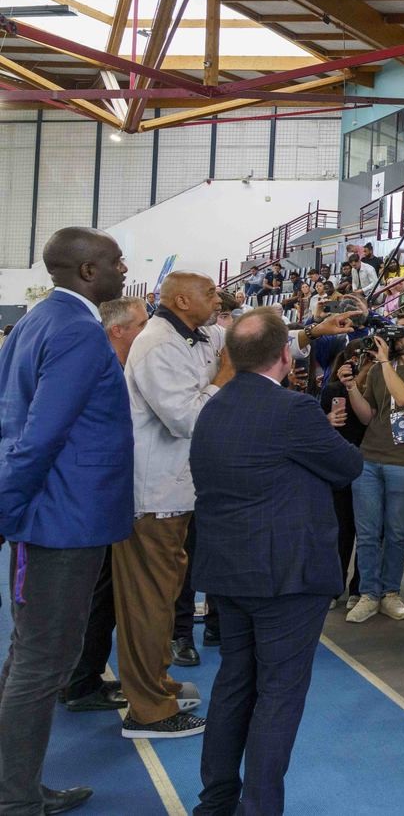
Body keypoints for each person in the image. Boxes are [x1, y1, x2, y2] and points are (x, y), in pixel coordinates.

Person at [189, 310, 363, 816]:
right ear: (286, 356)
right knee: (279, 696)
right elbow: (347, 465)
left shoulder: (212, 407)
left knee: (233, 685)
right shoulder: (293, 410)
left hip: (228, 571)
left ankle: (216, 801)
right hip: (286, 576)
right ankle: (259, 807)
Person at [0, 227, 131, 815]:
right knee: (42, 663)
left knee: (34, 657)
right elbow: (40, 435)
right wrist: (7, 510)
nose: (124, 269)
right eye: (114, 261)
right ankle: (16, 798)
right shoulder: (77, 330)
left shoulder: (33, 322)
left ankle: (17, 786)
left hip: (52, 515)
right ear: (85, 272)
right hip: (61, 521)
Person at [115, 271, 228, 740]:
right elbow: (187, 418)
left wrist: (315, 331)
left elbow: (235, 334)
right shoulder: (159, 344)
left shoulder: (194, 333)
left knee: (162, 600)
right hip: (152, 499)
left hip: (175, 495)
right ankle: (149, 711)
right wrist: (225, 376)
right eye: (210, 293)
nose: (218, 298)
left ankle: (156, 684)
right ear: (183, 300)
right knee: (147, 605)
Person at [57, 297, 146, 719]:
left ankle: (79, 676)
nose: (149, 332)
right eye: (142, 324)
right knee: (94, 597)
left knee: (94, 597)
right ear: (118, 330)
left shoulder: (114, 368)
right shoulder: (101, 371)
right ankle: (79, 681)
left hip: (98, 502)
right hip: (90, 504)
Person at [342, 311, 404, 623]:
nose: (398, 336)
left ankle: (390, 592)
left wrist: (384, 363)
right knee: (368, 532)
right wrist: (350, 388)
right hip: (369, 458)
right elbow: (368, 416)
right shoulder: (376, 372)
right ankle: (369, 594)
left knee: (397, 533)